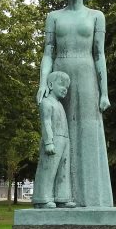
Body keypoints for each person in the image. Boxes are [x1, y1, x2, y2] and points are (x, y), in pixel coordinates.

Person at [35, 0, 114, 208]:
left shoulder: (96, 16)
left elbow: (99, 54)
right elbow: (48, 52)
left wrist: (104, 92)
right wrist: (42, 83)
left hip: (87, 75)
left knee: (88, 133)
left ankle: (91, 198)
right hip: (59, 75)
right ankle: (55, 196)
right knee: (57, 133)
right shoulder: (54, 17)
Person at [32, 71, 75, 209]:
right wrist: (49, 142)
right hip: (53, 140)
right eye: (61, 85)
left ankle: (62, 197)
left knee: (63, 169)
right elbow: (46, 123)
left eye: (67, 87)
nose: (65, 89)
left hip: (64, 140)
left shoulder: (60, 104)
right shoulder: (46, 103)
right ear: (50, 85)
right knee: (48, 170)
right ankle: (42, 199)